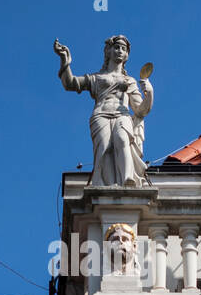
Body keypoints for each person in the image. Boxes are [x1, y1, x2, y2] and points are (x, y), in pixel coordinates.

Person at [54, 35, 153, 188]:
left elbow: (141, 111)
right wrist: (65, 60)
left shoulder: (129, 81)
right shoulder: (97, 78)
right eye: (117, 47)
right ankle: (106, 184)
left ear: (127, 55)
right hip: (101, 114)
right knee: (104, 147)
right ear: (108, 51)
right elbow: (70, 83)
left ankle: (128, 179)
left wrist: (150, 93)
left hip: (122, 114)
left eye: (123, 49)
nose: (120, 51)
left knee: (122, 139)